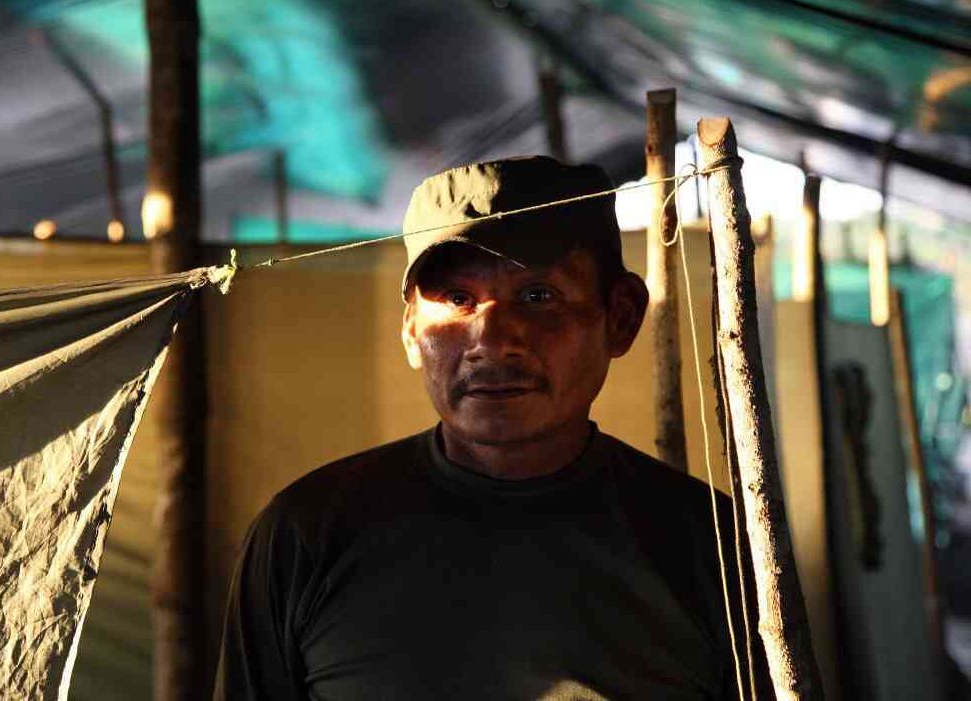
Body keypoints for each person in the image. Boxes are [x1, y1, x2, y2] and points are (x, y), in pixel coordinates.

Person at [214, 156, 767, 700]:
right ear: (412, 332)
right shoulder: (305, 537)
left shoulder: (713, 550)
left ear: (620, 316)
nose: (492, 341)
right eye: (457, 299)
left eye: (537, 296)